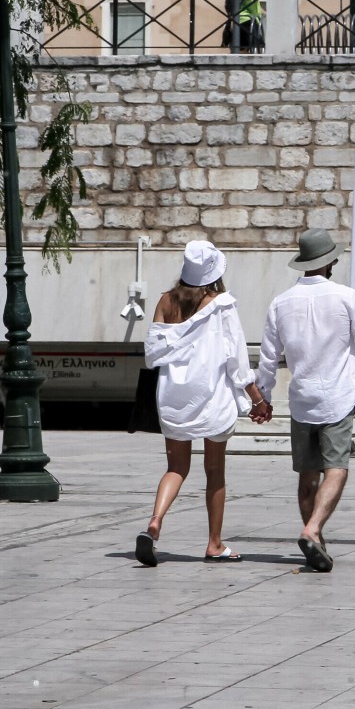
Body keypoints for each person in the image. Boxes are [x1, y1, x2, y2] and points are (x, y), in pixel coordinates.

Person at [135, 240, 270, 567]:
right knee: (215, 471)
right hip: (211, 395)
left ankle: (155, 522)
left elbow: (153, 355)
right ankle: (214, 543)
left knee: (176, 467)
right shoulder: (222, 304)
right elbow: (236, 360)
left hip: (173, 395)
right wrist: (257, 399)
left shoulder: (165, 302)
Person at [256, 229, 355, 572]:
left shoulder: (280, 302)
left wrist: (262, 397)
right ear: (331, 262)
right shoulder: (346, 297)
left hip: (302, 398)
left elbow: (268, 358)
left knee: (307, 474)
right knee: (336, 469)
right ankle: (312, 529)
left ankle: (318, 541)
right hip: (337, 396)